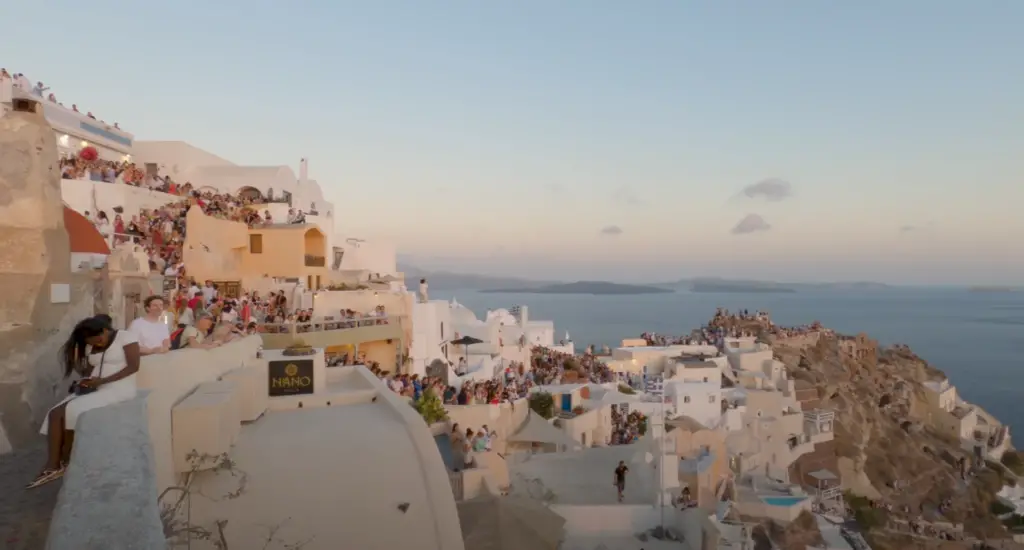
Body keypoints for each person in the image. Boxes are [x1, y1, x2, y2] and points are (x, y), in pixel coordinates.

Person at [27, 316, 141, 489]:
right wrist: (84, 374)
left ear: (104, 331)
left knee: (71, 410)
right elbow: (89, 370)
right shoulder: (90, 345)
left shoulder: (126, 337)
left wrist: (103, 381)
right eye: (92, 342)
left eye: (99, 339)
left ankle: (61, 462)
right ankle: (53, 464)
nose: (98, 344)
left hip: (119, 389)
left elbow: (133, 366)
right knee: (55, 413)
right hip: (97, 388)